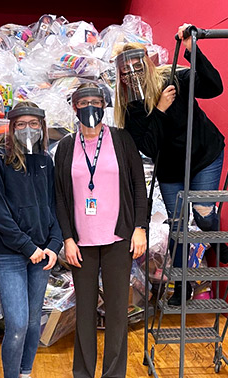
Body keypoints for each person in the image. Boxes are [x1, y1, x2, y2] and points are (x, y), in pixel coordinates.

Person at [114, 23, 228, 306]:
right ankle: (181, 286)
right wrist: (161, 110)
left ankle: (212, 234)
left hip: (204, 155)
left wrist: (192, 48)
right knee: (178, 226)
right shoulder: (132, 109)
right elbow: (149, 147)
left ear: (147, 64)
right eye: (125, 72)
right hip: (170, 169)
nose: (132, 75)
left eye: (136, 67)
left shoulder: (173, 78)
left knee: (201, 214)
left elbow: (215, 86)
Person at [55, 83, 148, 378]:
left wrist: (140, 228)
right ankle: (82, 373)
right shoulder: (67, 146)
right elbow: (59, 195)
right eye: (84, 102)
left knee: (118, 311)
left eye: (96, 101)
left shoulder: (121, 140)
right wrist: (68, 238)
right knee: (84, 312)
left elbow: (137, 186)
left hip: (118, 239)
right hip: (81, 243)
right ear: (75, 107)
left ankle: (113, 374)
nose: (90, 107)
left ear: (105, 105)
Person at [0, 101, 63, 378]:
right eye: (20, 124)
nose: (27, 129)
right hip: (11, 255)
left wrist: (54, 245)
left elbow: (53, 206)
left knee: (31, 322)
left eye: (33, 124)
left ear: (42, 126)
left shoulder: (45, 160)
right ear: (11, 127)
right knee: (16, 323)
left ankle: (25, 372)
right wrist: (28, 247)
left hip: (43, 254)